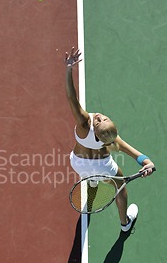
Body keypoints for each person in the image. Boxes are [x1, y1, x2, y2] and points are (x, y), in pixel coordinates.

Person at [65, 47, 155, 232]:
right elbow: (136, 155)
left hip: (79, 163)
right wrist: (148, 163)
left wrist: (68, 70)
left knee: (90, 177)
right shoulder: (113, 141)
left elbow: (71, 97)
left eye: (101, 121)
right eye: (102, 119)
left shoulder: (84, 124)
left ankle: (90, 190)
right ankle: (125, 224)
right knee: (120, 187)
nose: (99, 117)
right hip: (103, 167)